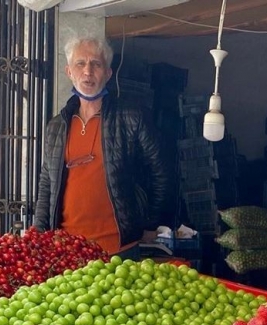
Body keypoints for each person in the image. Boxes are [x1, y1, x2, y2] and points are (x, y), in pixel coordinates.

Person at [34, 36, 169, 258]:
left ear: (108, 73)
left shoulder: (131, 117)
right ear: (69, 72)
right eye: (80, 63)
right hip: (68, 249)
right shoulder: (57, 125)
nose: (88, 72)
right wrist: (39, 234)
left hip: (119, 249)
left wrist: (150, 223)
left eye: (96, 64)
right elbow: (47, 181)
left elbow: (161, 171)